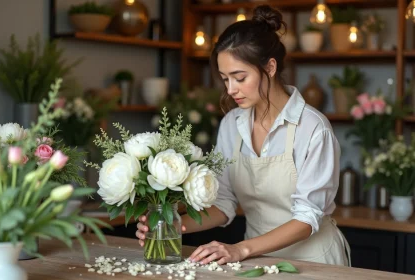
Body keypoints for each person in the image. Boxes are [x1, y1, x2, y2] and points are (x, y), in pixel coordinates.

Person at [136, 4, 350, 266]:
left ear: (270, 67)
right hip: (256, 260)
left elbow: (307, 219)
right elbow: (223, 202)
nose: (231, 89)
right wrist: (169, 227)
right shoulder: (231, 124)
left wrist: (240, 250)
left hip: (314, 262)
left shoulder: (313, 128)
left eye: (240, 77)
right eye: (225, 79)